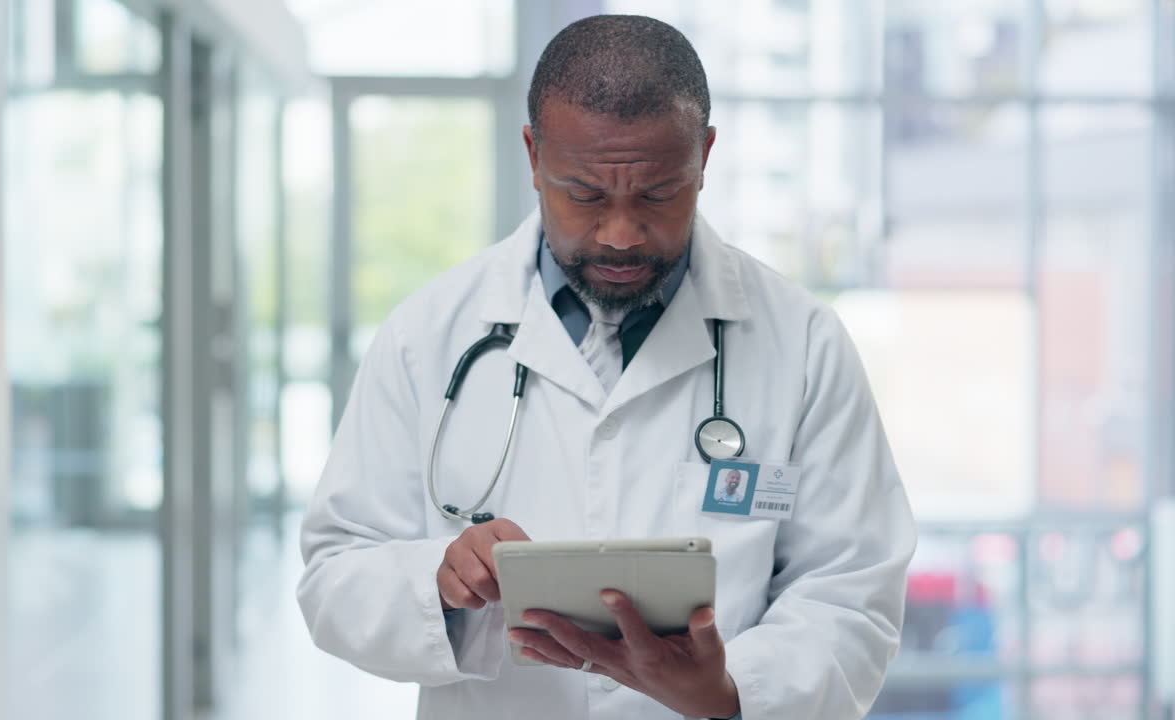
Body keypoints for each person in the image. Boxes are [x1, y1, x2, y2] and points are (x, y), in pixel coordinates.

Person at [298, 14, 916, 720]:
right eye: (584, 194)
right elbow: (333, 576)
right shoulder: (426, 334)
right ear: (533, 156)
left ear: (705, 156)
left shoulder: (804, 344)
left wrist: (731, 691)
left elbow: (853, 593)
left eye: (657, 194)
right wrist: (436, 581)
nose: (621, 234)